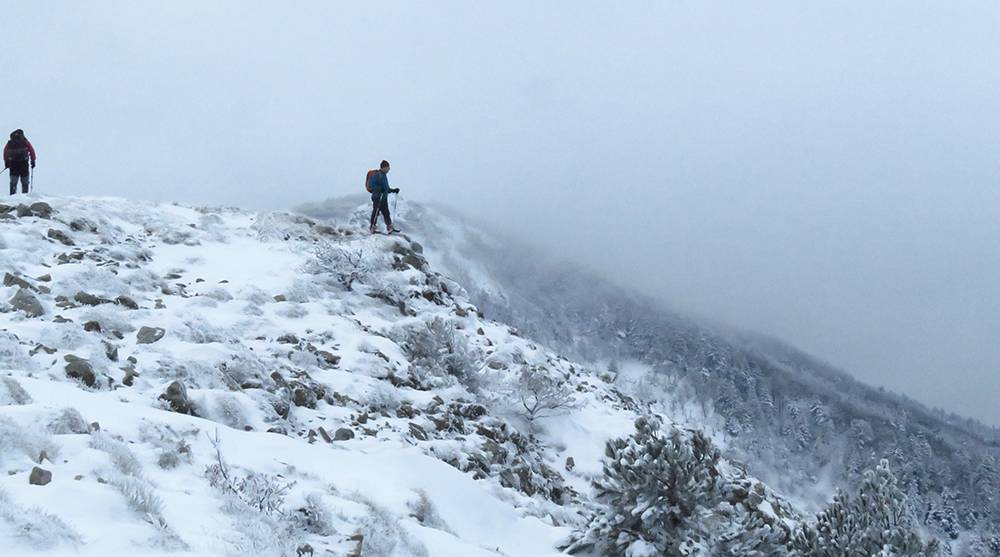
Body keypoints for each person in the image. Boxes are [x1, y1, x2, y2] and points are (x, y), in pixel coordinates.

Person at [367, 160, 400, 233]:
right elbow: (372, 185)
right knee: (376, 211)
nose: (389, 169)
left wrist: (393, 190)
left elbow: (386, 188)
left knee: (386, 212)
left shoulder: (384, 175)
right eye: (388, 168)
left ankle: (390, 227)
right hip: (377, 197)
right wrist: (379, 189)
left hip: (383, 198)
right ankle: (372, 227)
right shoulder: (377, 174)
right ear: (384, 167)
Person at [3, 129, 36, 195]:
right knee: (25, 182)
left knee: (13, 182)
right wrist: (33, 160)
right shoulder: (25, 142)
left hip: (13, 164)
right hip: (24, 164)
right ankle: (25, 196)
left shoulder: (10, 143)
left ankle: (12, 197)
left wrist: (6, 162)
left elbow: (5, 152)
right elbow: (31, 150)